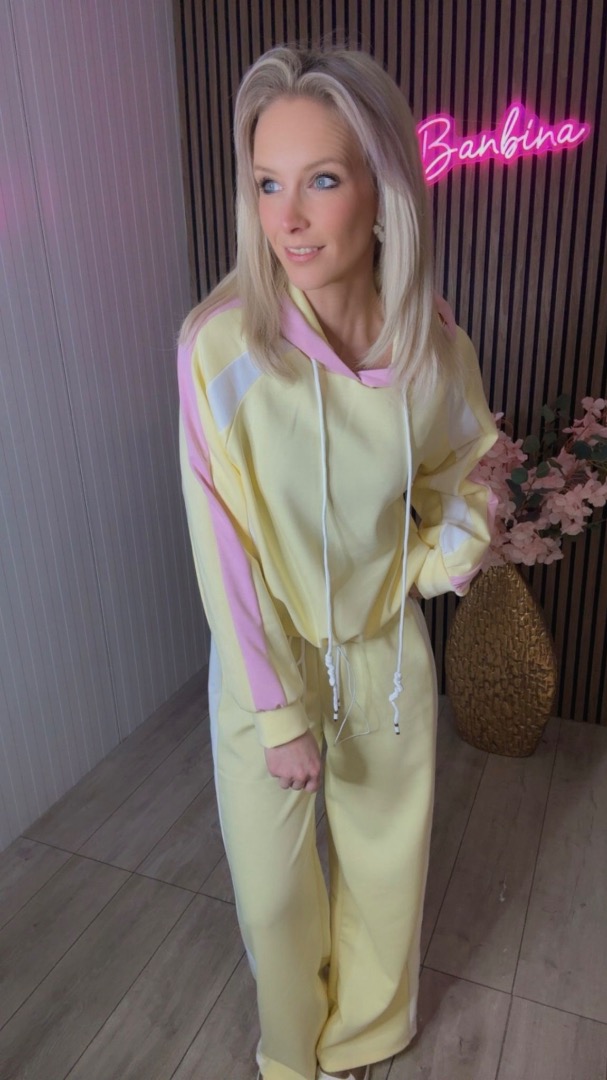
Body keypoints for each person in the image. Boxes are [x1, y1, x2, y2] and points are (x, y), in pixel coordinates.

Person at [177, 44, 497, 1080]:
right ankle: (290, 1056)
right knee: (274, 896)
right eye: (267, 184)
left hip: (382, 655)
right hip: (263, 659)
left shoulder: (430, 345)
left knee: (384, 872)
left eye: (320, 179)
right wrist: (277, 712)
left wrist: (438, 559)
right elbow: (221, 542)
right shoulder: (219, 347)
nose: (290, 218)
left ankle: (364, 1039)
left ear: (382, 187)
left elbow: (469, 464)